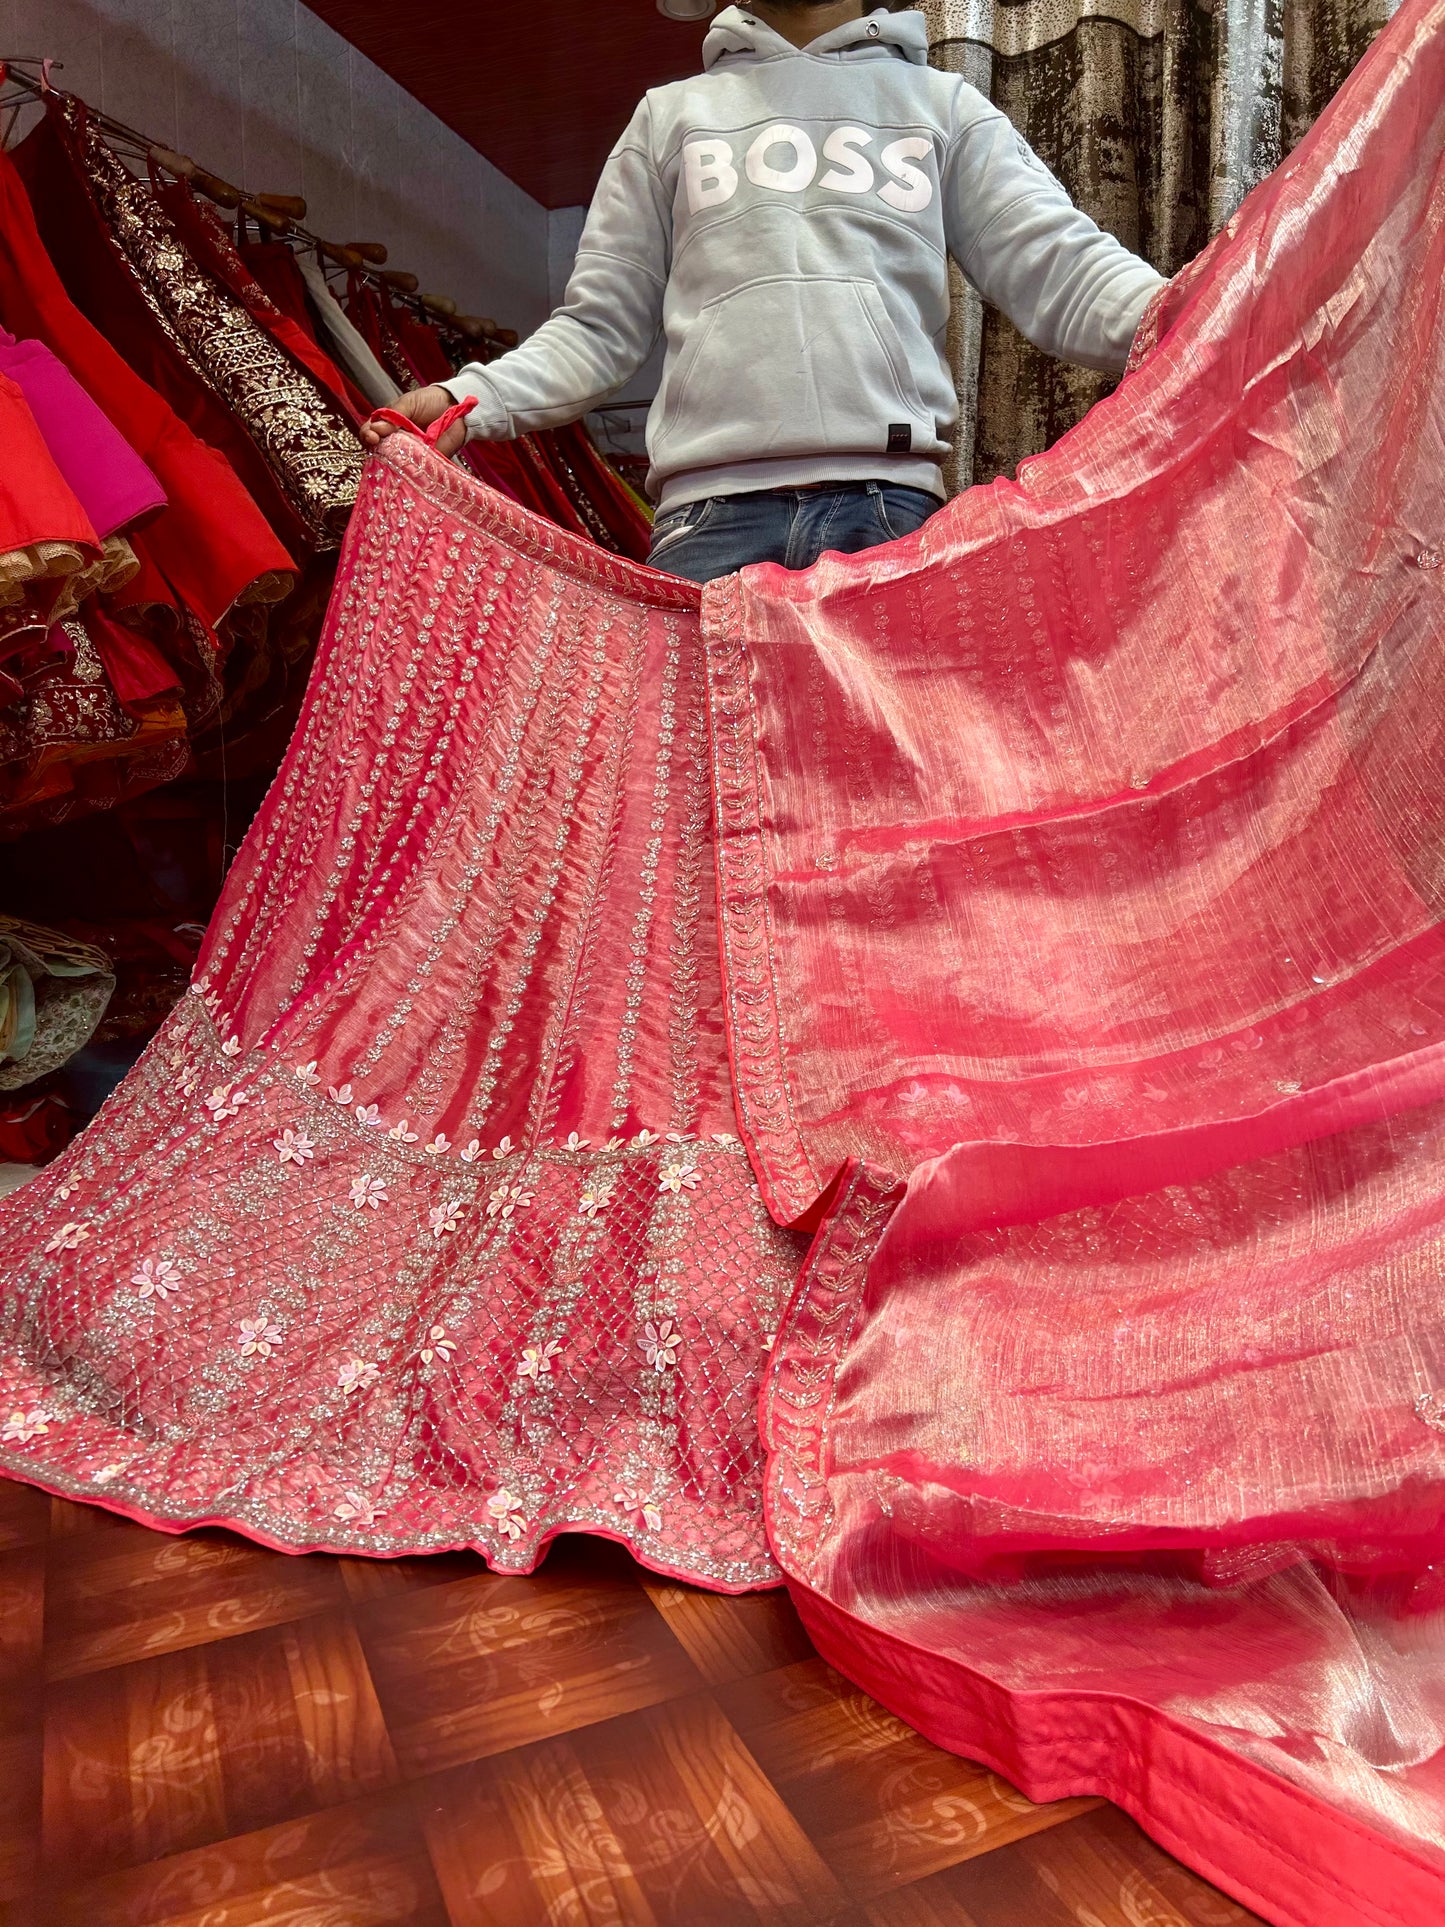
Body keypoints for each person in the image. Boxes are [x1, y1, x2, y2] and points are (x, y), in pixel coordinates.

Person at [361, 0, 1165, 582]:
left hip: (886, 512)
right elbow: (598, 327)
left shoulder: (941, 108)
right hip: (704, 525)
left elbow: (1059, 267)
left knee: (877, 810)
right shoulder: (666, 120)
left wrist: (1199, 308)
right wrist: (469, 396)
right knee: (703, 807)